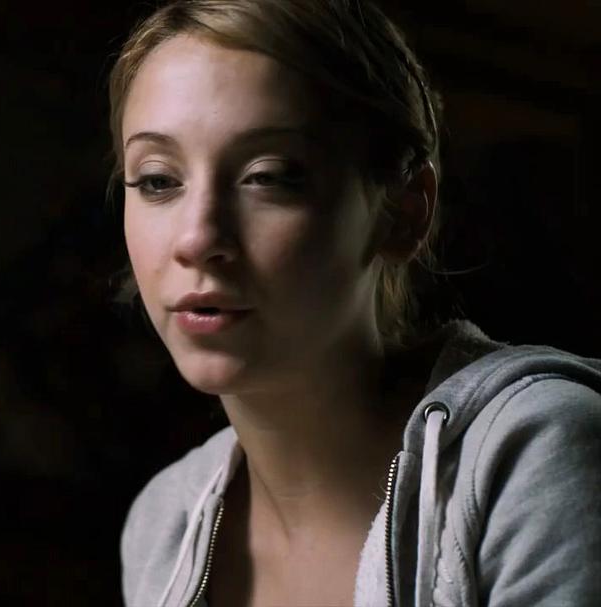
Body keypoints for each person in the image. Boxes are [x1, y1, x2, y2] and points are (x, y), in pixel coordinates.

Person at [109, 1, 601, 605]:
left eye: (269, 176)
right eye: (158, 180)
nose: (198, 239)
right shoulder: (164, 526)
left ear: (404, 211)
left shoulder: (533, 456)